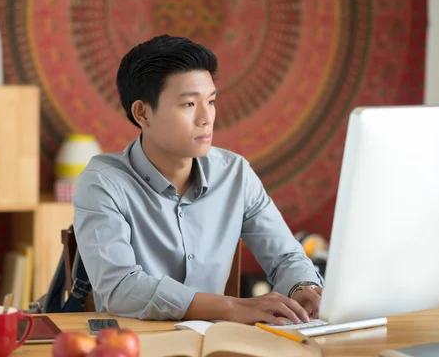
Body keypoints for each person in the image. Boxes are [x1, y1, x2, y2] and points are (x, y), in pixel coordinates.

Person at [72, 35, 323, 325]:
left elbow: (284, 256)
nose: (207, 118)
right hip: (133, 344)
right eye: (189, 104)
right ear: (142, 113)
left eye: (211, 101)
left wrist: (302, 287)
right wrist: (230, 307)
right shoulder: (102, 183)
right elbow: (120, 288)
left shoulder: (234, 174)